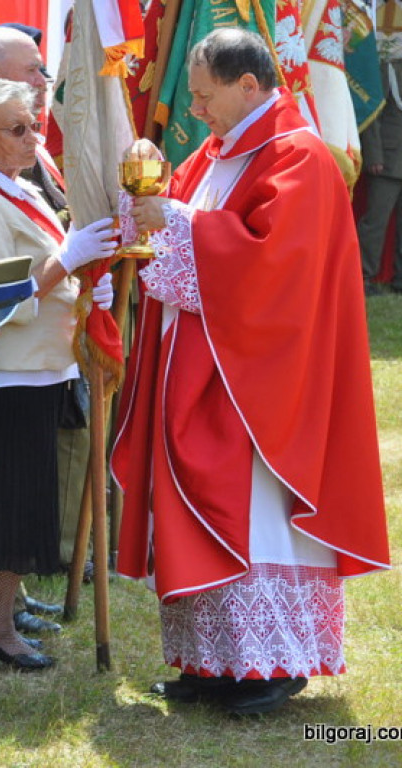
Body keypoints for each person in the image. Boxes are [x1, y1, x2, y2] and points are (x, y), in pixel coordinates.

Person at [115, 28, 390, 715]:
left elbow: (272, 270)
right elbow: (173, 227)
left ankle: (270, 665)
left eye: (205, 97)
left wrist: (175, 223)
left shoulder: (298, 158)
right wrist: (149, 204)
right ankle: (211, 662)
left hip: (261, 384)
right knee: (197, 506)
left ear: (248, 85)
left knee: (254, 515)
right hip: (201, 368)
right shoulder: (214, 156)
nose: (196, 111)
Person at [0, 79, 117, 671]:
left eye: (35, 126)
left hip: (37, 368)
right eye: (17, 129)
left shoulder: (12, 189)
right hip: (7, 371)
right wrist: (67, 261)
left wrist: (82, 275)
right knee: (8, 509)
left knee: (10, 503)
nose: (32, 138)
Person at [356, 51, 402, 294]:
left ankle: (400, 280)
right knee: (375, 222)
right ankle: (363, 276)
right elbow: (373, 116)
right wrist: (374, 155)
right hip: (388, 160)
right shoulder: (389, 69)